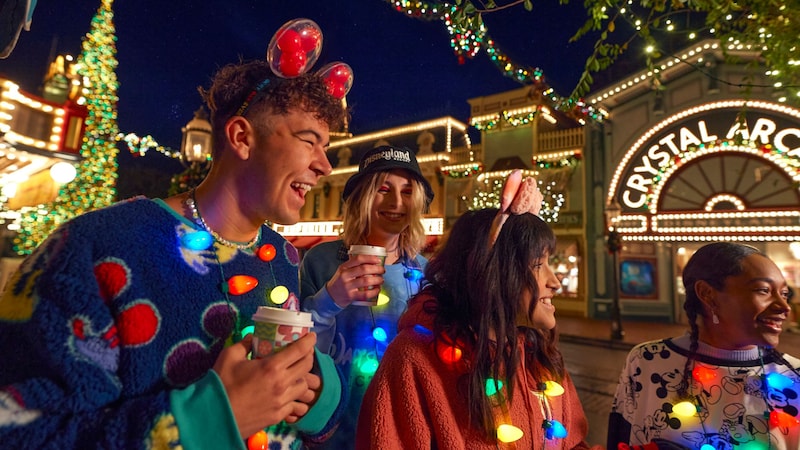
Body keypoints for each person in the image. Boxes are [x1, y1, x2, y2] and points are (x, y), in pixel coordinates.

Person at [0, 57, 349, 448]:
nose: (325, 165)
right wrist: (208, 419)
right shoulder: (95, 246)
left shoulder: (283, 255)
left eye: (327, 146)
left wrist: (317, 392)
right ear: (241, 137)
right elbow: (17, 430)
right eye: (309, 141)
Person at [356, 171, 603, 449]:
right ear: (493, 272)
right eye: (537, 264)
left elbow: (572, 440)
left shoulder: (538, 355)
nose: (554, 282)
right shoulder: (414, 359)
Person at [300, 144, 434, 448]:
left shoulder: (425, 273)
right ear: (361, 197)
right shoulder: (321, 261)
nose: (396, 202)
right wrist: (328, 300)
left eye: (408, 192)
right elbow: (298, 350)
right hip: (333, 431)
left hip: (403, 431)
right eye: (383, 189)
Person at [608, 242, 800, 450]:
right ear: (707, 294)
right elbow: (621, 439)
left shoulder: (793, 376)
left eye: (784, 294)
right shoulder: (648, 361)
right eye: (763, 290)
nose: (784, 307)